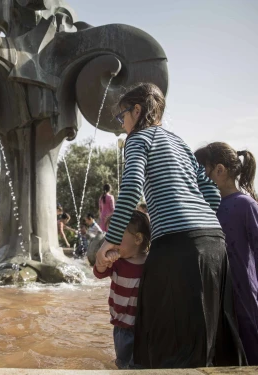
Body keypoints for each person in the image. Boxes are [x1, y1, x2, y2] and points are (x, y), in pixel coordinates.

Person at [96, 83, 245, 368]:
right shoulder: (179, 142)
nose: (122, 123)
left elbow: (130, 189)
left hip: (178, 245)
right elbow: (212, 193)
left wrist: (110, 240)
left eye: (122, 116)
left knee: (161, 337)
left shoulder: (138, 139)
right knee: (206, 336)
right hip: (213, 242)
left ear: (137, 111)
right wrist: (201, 222)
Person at [195, 142, 258, 365]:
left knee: (250, 355)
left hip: (244, 299)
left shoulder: (245, 205)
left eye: (202, 171)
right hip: (217, 300)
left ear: (219, 170)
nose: (197, 179)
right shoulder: (206, 207)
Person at [94, 210, 150, 369]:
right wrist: (103, 261)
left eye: (116, 237)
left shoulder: (151, 263)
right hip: (122, 327)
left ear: (138, 238)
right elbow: (98, 273)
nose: (110, 242)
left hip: (144, 327)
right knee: (124, 363)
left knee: (141, 365)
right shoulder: (117, 262)